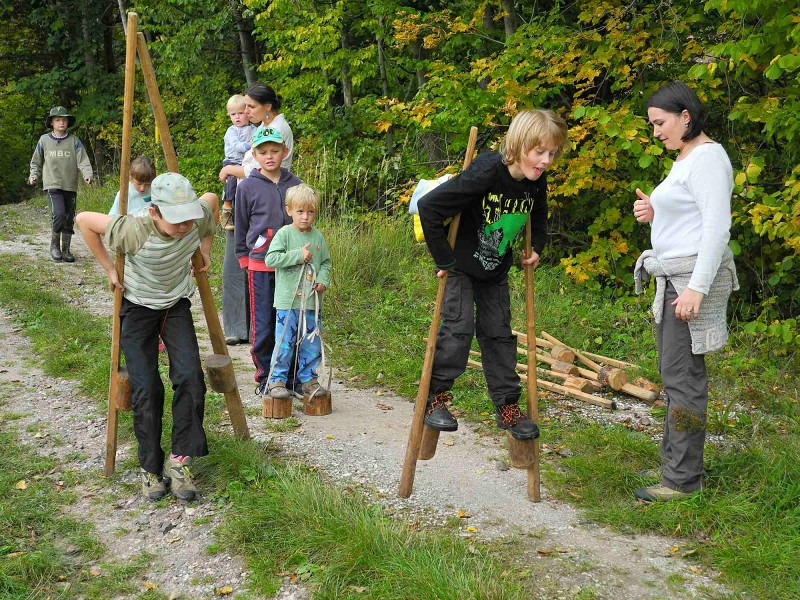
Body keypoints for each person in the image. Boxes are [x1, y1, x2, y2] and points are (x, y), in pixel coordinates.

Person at [417, 109, 569, 440]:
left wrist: (537, 246)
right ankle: (435, 399)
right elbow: (429, 207)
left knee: (499, 335)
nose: (545, 161)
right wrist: (443, 258)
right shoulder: (487, 171)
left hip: (495, 268)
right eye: (539, 151)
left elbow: (539, 215)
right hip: (461, 267)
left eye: (552, 154)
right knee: (458, 330)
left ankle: (507, 407)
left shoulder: (535, 179)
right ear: (519, 143)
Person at [76, 173, 219, 502]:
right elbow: (84, 220)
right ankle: (151, 468)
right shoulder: (133, 229)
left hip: (174, 305)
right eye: (176, 220)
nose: (184, 226)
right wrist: (110, 270)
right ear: (155, 212)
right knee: (146, 386)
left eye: (188, 220)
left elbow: (210, 201)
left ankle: (180, 460)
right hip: (138, 308)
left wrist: (205, 250)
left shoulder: (194, 218)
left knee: (191, 377)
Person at [632, 81, 738, 503]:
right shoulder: (685, 159)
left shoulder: (709, 159)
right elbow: (690, 217)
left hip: (689, 283)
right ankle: (677, 468)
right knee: (677, 377)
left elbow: (716, 227)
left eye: (660, 123)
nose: (656, 131)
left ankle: (681, 481)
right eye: (652, 124)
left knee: (684, 381)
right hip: (677, 278)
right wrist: (655, 212)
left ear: (685, 116)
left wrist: (696, 288)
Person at [217, 84, 293, 347]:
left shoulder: (277, 130)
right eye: (244, 106)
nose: (246, 111)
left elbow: (255, 168)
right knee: (239, 263)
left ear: (267, 107)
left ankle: (247, 329)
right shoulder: (259, 129)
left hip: (258, 205)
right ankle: (244, 328)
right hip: (249, 199)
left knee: (245, 264)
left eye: (251, 106)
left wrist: (230, 171)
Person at [234, 127, 301, 395]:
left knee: (292, 322)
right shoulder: (248, 187)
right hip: (260, 265)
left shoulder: (296, 185)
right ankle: (266, 378)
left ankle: (293, 377)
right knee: (264, 323)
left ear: (284, 152)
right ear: (255, 154)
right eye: (263, 152)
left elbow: (304, 220)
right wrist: (243, 257)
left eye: (275, 151)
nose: (270, 156)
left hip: (293, 266)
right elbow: (242, 224)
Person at [264, 184, 331, 400]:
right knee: (284, 342)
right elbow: (271, 259)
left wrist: (322, 279)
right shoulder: (284, 234)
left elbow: (326, 263)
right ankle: (277, 381)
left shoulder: (318, 237)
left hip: (312, 302)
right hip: (287, 301)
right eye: (300, 212)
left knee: (311, 343)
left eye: (310, 212)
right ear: (289, 210)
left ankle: (309, 381)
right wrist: (297, 255)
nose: (305, 217)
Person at [28, 106, 94, 263]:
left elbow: (83, 161)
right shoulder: (44, 140)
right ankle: (54, 246)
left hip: (70, 185)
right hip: (52, 185)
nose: (61, 122)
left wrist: (88, 175)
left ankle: (66, 250)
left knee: (69, 217)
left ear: (67, 122)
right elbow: (36, 161)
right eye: (58, 119)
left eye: (64, 119)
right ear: (52, 122)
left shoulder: (74, 141)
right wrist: (33, 176)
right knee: (58, 214)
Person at [221, 94, 257, 231]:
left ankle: (243, 213)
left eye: (240, 113)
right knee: (231, 182)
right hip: (232, 161)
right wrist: (250, 144)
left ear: (247, 113)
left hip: (245, 163)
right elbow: (237, 146)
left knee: (244, 190)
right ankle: (227, 207)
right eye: (233, 114)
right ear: (229, 115)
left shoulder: (254, 129)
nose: (237, 117)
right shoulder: (231, 131)